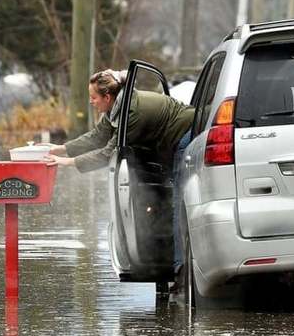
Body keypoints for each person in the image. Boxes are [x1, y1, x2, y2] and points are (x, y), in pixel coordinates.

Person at [44, 69, 194, 280]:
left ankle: (181, 269)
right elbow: (97, 136)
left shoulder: (131, 114)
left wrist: (67, 162)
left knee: (179, 200)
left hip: (186, 135)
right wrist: (60, 149)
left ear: (107, 97)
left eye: (93, 98)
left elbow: (109, 153)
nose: (91, 102)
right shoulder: (117, 108)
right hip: (172, 139)